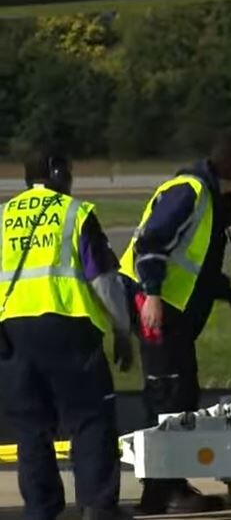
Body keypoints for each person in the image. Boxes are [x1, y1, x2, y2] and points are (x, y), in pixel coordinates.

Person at [118, 130, 231, 514]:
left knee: (182, 395)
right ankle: (159, 494)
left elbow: (200, 266)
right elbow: (151, 244)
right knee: (168, 396)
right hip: (155, 305)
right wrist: (151, 294)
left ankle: (170, 486)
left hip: (173, 310)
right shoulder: (190, 193)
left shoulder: (214, 200)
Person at [0, 147, 136, 520]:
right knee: (91, 420)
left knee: (30, 428)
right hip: (67, 328)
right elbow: (103, 279)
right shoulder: (75, 214)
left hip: (11, 333)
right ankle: (97, 506)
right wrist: (122, 329)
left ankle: (40, 510)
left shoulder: (4, 216)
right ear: (59, 172)